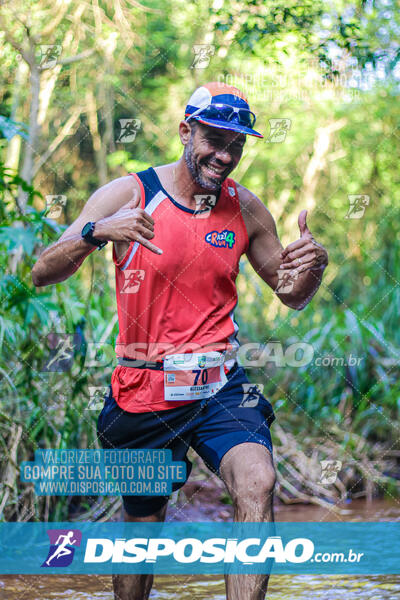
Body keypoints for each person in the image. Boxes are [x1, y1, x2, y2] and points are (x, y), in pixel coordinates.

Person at [32, 81, 328, 599]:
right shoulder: (129, 194)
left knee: (257, 482)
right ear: (185, 131)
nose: (225, 154)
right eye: (214, 139)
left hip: (221, 387)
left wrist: (312, 269)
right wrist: (97, 232)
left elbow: (290, 294)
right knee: (142, 532)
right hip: (144, 389)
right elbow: (42, 271)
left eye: (237, 143)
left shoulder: (246, 208)